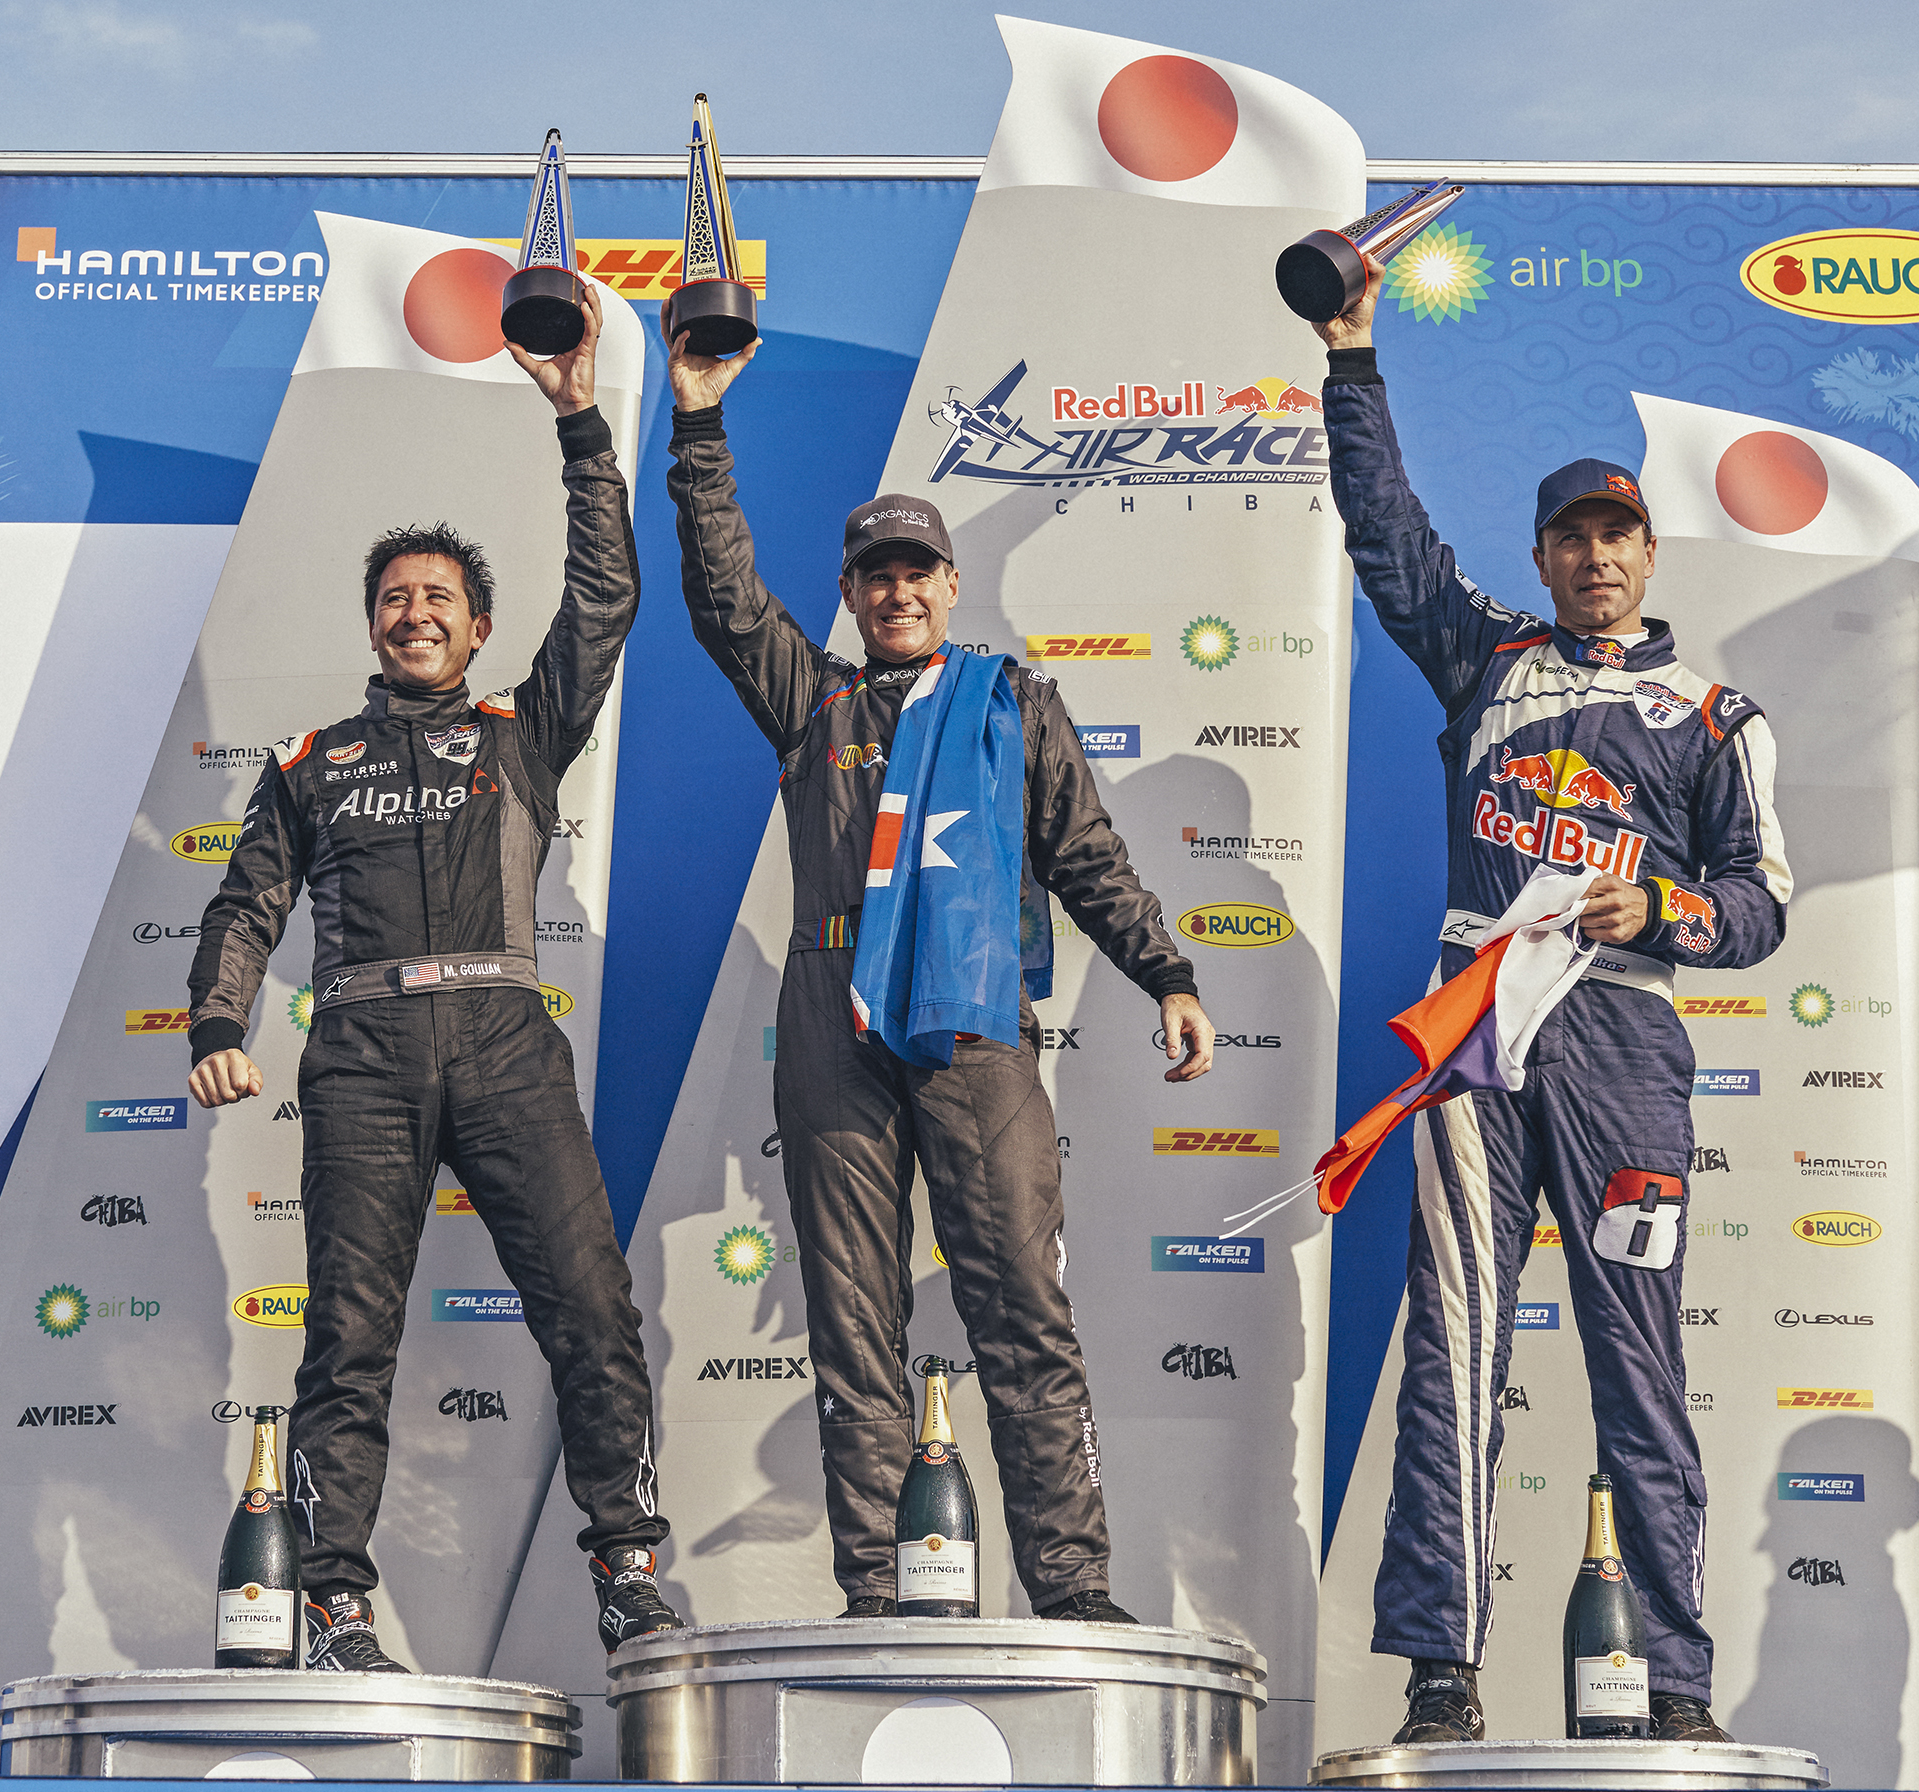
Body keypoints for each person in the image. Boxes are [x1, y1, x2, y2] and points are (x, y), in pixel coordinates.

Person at [662, 327, 1217, 1626]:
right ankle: (879, 1592)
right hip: (830, 1015)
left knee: (1023, 1313)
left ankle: (1073, 1593)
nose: (896, 592)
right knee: (854, 1330)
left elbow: (1083, 852)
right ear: (853, 594)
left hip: (975, 1025)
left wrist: (1168, 974)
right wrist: (697, 427)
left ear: (948, 585)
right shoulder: (815, 704)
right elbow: (723, 594)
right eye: (874, 576)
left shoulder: (1011, 703)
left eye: (914, 571)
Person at [1315, 254, 1791, 1744]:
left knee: (1635, 1359)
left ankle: (1674, 1683)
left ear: (1648, 559)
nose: (1593, 557)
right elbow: (1386, 535)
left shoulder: (1711, 717)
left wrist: (1658, 903)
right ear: (1539, 556)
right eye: (1570, 537)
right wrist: (1350, 354)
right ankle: (1439, 1674)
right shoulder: (1484, 663)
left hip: (1623, 1041)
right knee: (1453, 1343)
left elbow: (1762, 904)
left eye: (1615, 536)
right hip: (1475, 1030)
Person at [185, 277, 681, 1672]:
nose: (415, 614)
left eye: (439, 600)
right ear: (373, 629)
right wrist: (216, 1021)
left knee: (591, 1309)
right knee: (345, 1338)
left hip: (506, 1037)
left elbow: (606, 596)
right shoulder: (309, 762)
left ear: (473, 630)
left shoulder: (524, 733)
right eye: (395, 599)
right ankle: (332, 1601)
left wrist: (582, 430)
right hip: (361, 1056)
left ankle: (631, 1568)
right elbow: (246, 901)